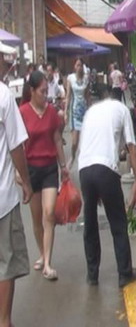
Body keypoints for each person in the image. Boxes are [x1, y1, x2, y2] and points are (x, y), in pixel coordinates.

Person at [78, 85, 136, 288]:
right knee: (117, 222)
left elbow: (84, 143)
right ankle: (124, 273)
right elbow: (132, 147)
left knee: (90, 223)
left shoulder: (91, 111)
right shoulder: (122, 110)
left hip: (85, 169)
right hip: (105, 168)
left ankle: (92, 274)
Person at [19, 71, 69, 281]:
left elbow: (57, 139)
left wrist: (63, 165)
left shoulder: (51, 113)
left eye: (47, 91)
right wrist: (18, 172)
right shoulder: (22, 112)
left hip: (49, 167)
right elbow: (18, 145)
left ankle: (47, 262)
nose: (45, 95)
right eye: (42, 91)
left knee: (49, 214)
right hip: (31, 169)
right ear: (32, 91)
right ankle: (42, 253)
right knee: (37, 218)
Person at [0, 42, 33, 327]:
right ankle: (4, 320)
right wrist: (26, 182)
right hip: (2, 196)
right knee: (6, 262)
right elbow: (15, 147)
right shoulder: (3, 96)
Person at [65, 58, 90, 168]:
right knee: (75, 141)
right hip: (74, 111)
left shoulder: (86, 79)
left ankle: (84, 160)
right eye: (77, 65)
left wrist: (91, 110)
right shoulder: (70, 78)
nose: (79, 67)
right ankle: (73, 156)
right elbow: (68, 96)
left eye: (81, 65)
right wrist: (66, 112)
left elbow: (88, 96)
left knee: (85, 140)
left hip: (84, 110)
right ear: (74, 67)